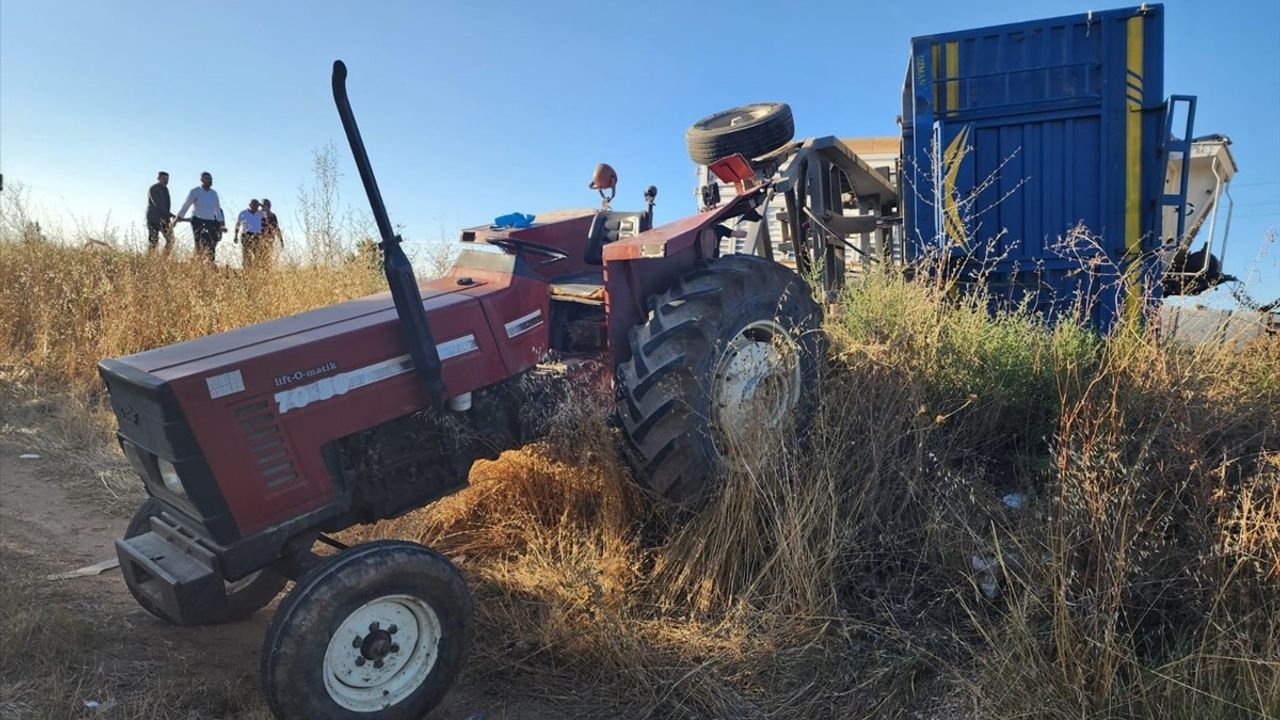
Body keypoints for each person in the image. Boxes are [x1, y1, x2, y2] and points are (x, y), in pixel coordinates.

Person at [174, 171, 225, 262]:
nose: (210, 181)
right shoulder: (195, 191)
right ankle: (196, 263)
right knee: (199, 243)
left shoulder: (214, 194)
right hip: (197, 220)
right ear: (201, 180)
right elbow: (186, 205)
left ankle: (210, 263)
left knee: (211, 243)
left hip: (210, 221)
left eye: (211, 179)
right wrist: (178, 217)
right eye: (207, 179)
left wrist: (221, 224)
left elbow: (217, 209)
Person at [145, 171, 174, 255]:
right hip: (154, 219)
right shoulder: (153, 189)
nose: (166, 181)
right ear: (158, 178)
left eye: (167, 179)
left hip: (164, 219)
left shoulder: (165, 189)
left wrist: (169, 217)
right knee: (154, 241)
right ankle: (149, 260)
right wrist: (171, 215)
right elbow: (157, 204)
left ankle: (163, 260)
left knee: (171, 240)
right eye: (164, 179)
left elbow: (166, 205)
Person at [235, 198, 268, 269]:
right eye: (254, 205)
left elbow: (266, 210)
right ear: (250, 205)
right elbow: (238, 225)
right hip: (246, 235)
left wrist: (261, 205)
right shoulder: (243, 213)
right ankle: (246, 271)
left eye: (257, 206)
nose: (255, 207)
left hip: (257, 236)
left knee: (258, 255)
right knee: (246, 255)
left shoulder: (260, 213)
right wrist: (235, 236)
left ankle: (255, 270)